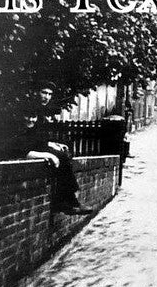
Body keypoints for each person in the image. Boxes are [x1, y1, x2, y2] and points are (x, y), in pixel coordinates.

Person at [5, 82, 93, 215]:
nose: (46, 97)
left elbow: (37, 136)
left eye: (49, 94)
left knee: (64, 154)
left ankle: (66, 200)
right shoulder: (27, 108)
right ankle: (67, 202)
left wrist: (51, 144)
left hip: (30, 144)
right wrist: (48, 153)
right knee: (60, 157)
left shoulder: (39, 109)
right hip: (19, 147)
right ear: (36, 92)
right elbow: (23, 139)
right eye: (44, 93)